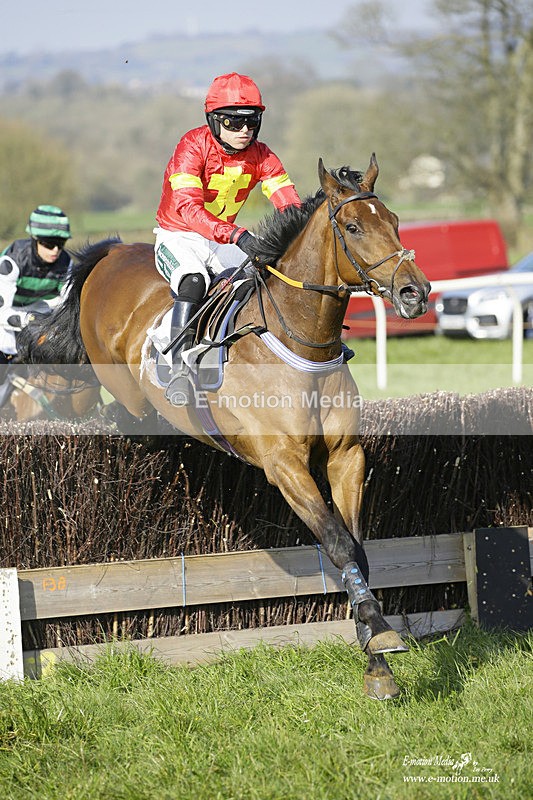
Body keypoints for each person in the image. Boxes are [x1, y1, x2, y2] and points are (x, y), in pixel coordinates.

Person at [154, 71, 301, 405]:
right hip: (179, 235)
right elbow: (189, 209)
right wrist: (237, 235)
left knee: (266, 277)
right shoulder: (191, 146)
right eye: (233, 123)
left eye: (250, 122)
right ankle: (178, 368)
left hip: (222, 240)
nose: (244, 131)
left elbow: (290, 206)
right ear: (213, 121)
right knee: (192, 282)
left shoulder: (263, 156)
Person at [0, 205, 72, 406]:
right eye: (49, 244)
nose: (56, 250)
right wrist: (30, 320)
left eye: (61, 243)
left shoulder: (65, 262)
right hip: (6, 313)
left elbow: (66, 304)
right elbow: (2, 312)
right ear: (34, 239)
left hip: (37, 310)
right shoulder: (13, 259)